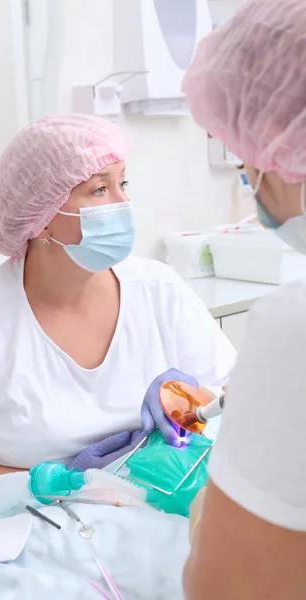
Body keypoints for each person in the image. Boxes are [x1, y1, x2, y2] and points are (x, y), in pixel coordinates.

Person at [0, 114, 234, 505]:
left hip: (154, 519)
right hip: (29, 539)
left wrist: (197, 402)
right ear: (41, 218)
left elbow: (242, 404)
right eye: (99, 190)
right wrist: (51, 483)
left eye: (122, 183)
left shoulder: (159, 291)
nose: (123, 203)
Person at [179, 1, 306, 598]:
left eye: (245, 154)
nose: (249, 177)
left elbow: (226, 587)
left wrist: (210, 519)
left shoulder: (292, 326)